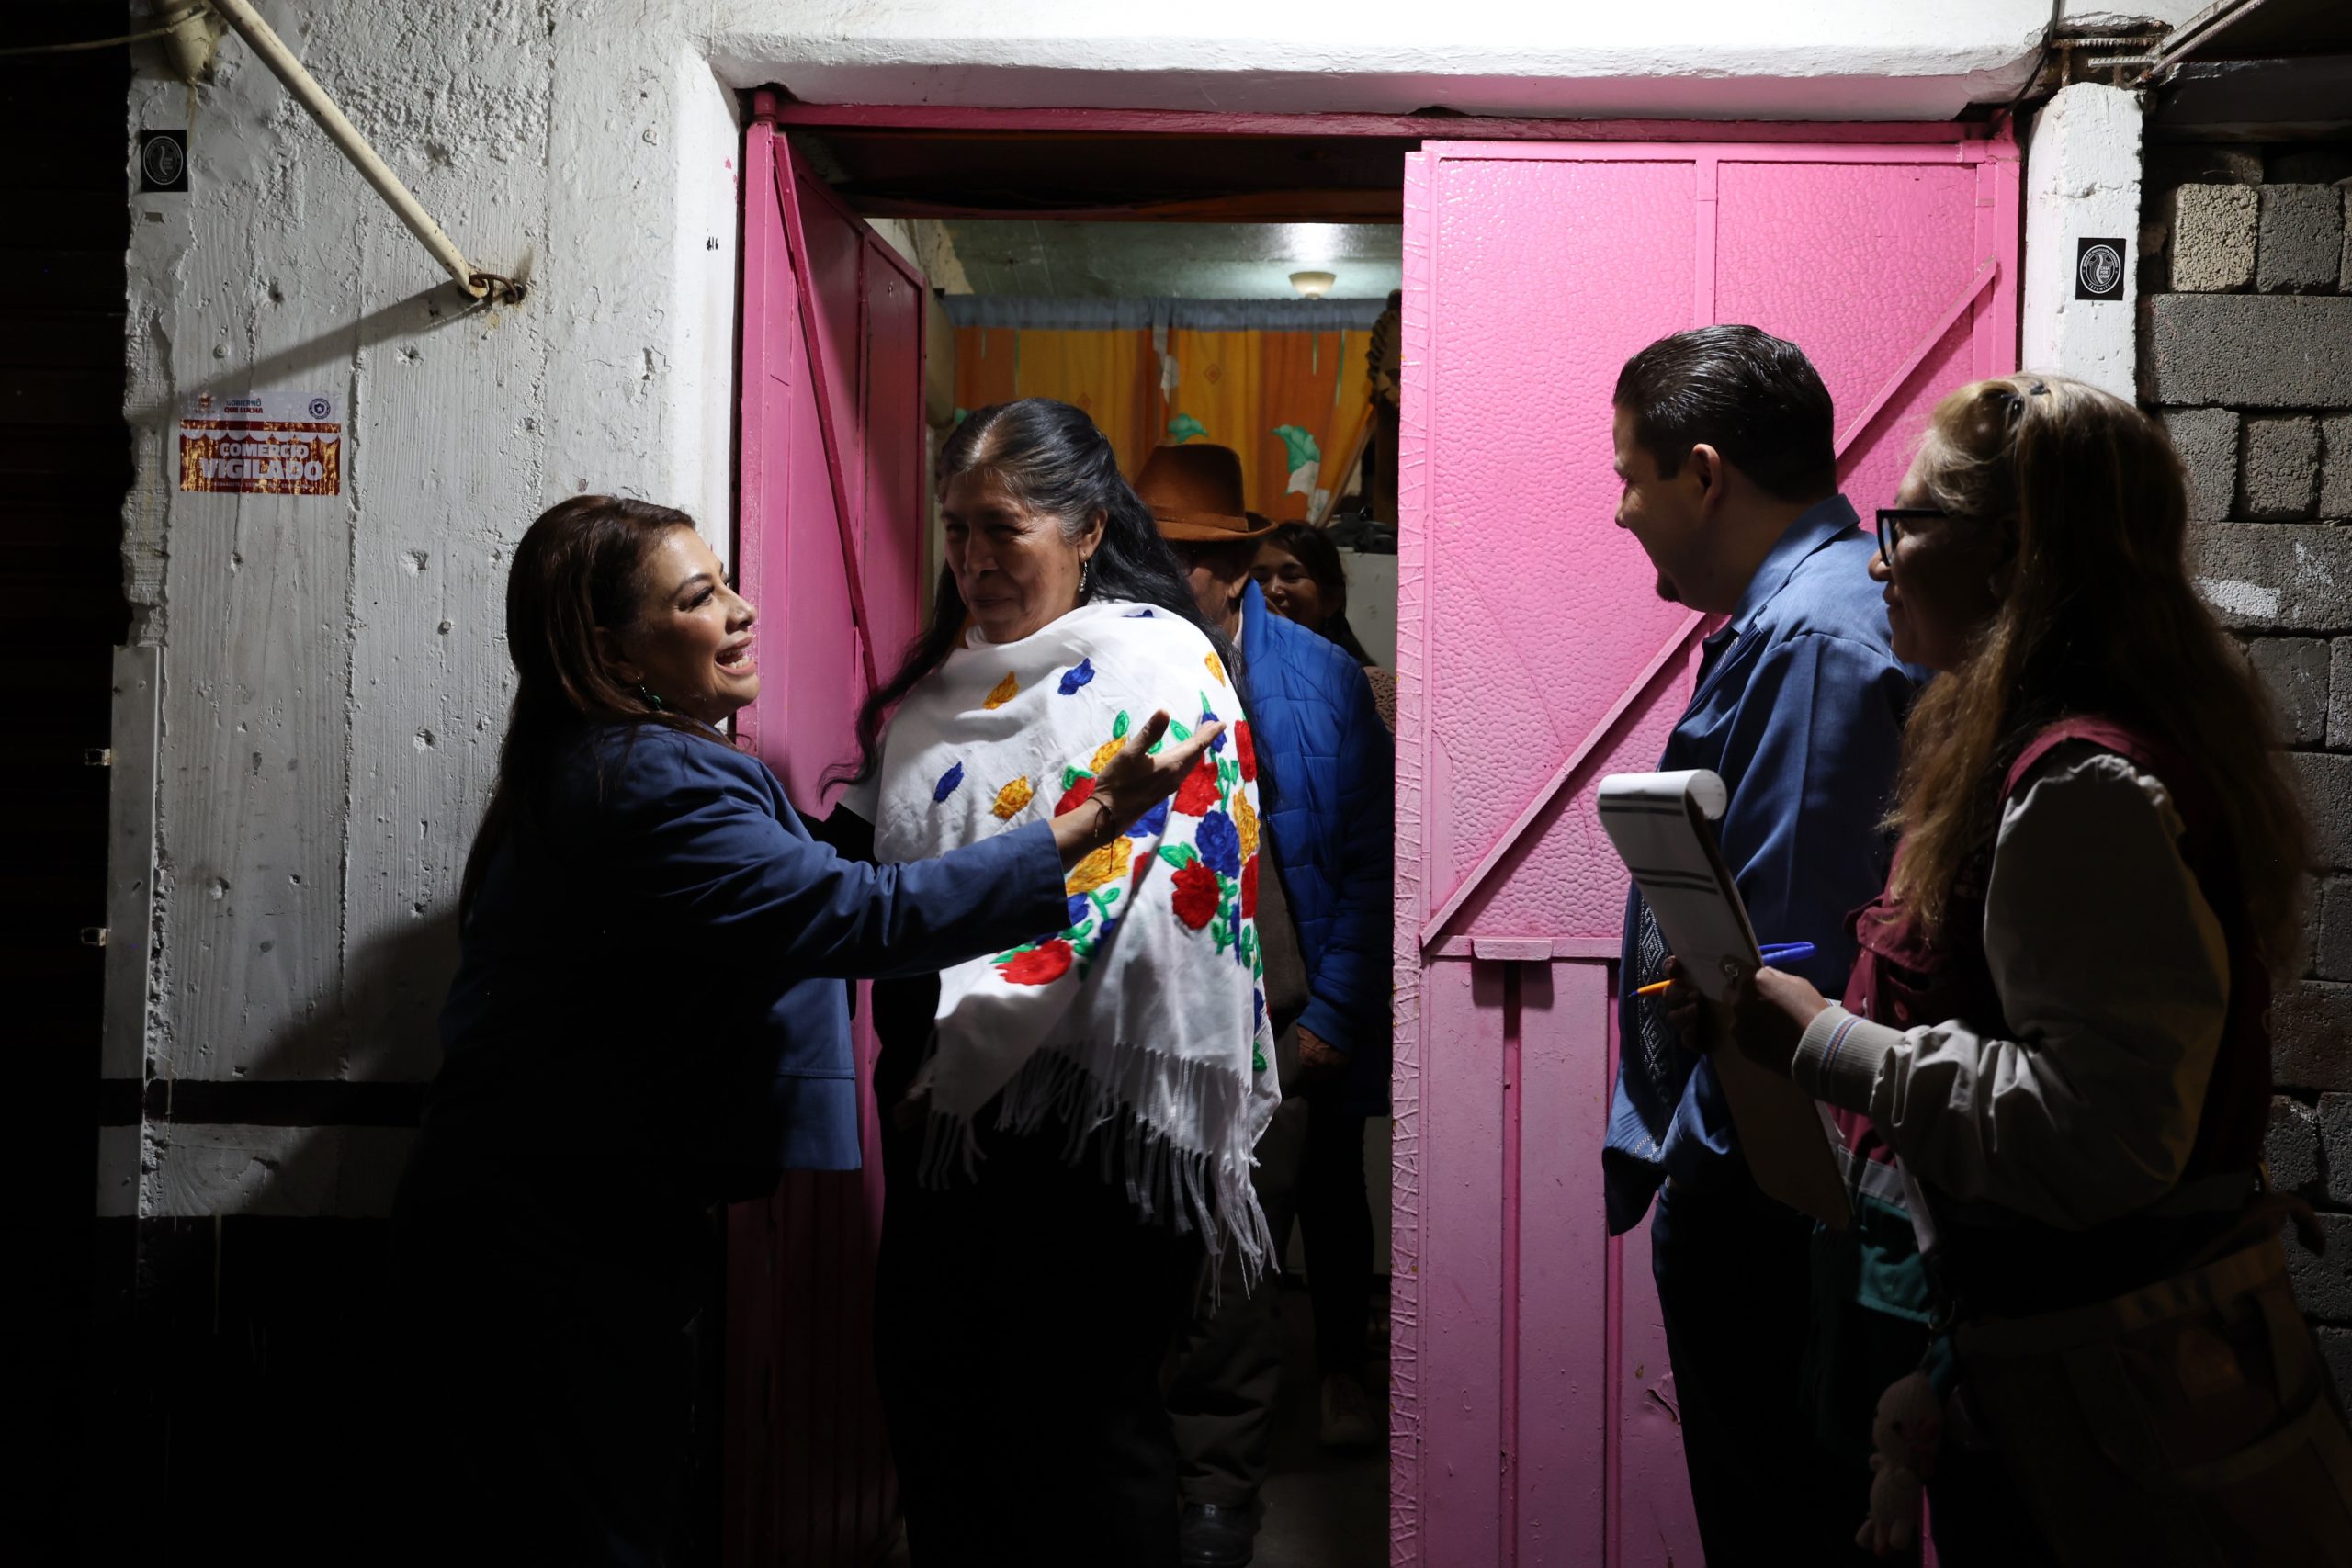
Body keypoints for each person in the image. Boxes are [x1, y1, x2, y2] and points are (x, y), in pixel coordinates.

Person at [390, 495, 1218, 1567]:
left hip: (558, 1212)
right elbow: (854, 914)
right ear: (609, 645)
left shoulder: (610, 761)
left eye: (728, 582)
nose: (740, 614)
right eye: (698, 599)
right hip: (556, 1236)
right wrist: (1088, 823)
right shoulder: (649, 781)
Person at [1698, 376, 2352, 1564]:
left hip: (2107, 1406)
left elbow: (2099, 1131)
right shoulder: (2051, 751)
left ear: (2012, 549)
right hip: (2044, 1374)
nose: (1881, 562)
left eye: (1908, 526)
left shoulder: (2082, 792)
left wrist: (1830, 1046)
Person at [847, 402, 1281, 1568]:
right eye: (954, 532)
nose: (975, 561)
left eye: (1001, 529)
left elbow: (1169, 888)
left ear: (1088, 529)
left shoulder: (1160, 662)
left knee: (1084, 1440)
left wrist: (991, 1013)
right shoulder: (940, 692)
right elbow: (878, 875)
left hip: (1098, 1130)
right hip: (945, 1116)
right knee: (942, 1416)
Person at [1600, 326, 1923, 1563]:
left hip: (1772, 1199)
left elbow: (1785, 970)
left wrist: (1705, 1173)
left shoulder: (1812, 637)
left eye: (1631, 475)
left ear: (1704, 470)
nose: (1623, 510)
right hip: (1768, 1181)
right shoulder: (1813, 614)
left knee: (1779, 1522)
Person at [1137, 442, 1396, 1568]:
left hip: (1284, 1022)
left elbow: (1369, 862)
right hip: (1153, 1029)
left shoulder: (1320, 678)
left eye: (1184, 560)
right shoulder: (1119, 665)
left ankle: (1217, 1498)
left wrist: (1331, 1017)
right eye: (1146, 553)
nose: (1157, 579)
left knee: (1248, 1266)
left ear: (1235, 569)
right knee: (1158, 1260)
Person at [1255, 518, 1395, 731]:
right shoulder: (1236, 679)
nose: (1273, 590)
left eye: (1291, 576)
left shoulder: (1367, 687)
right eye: (1260, 579)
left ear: (1331, 599)